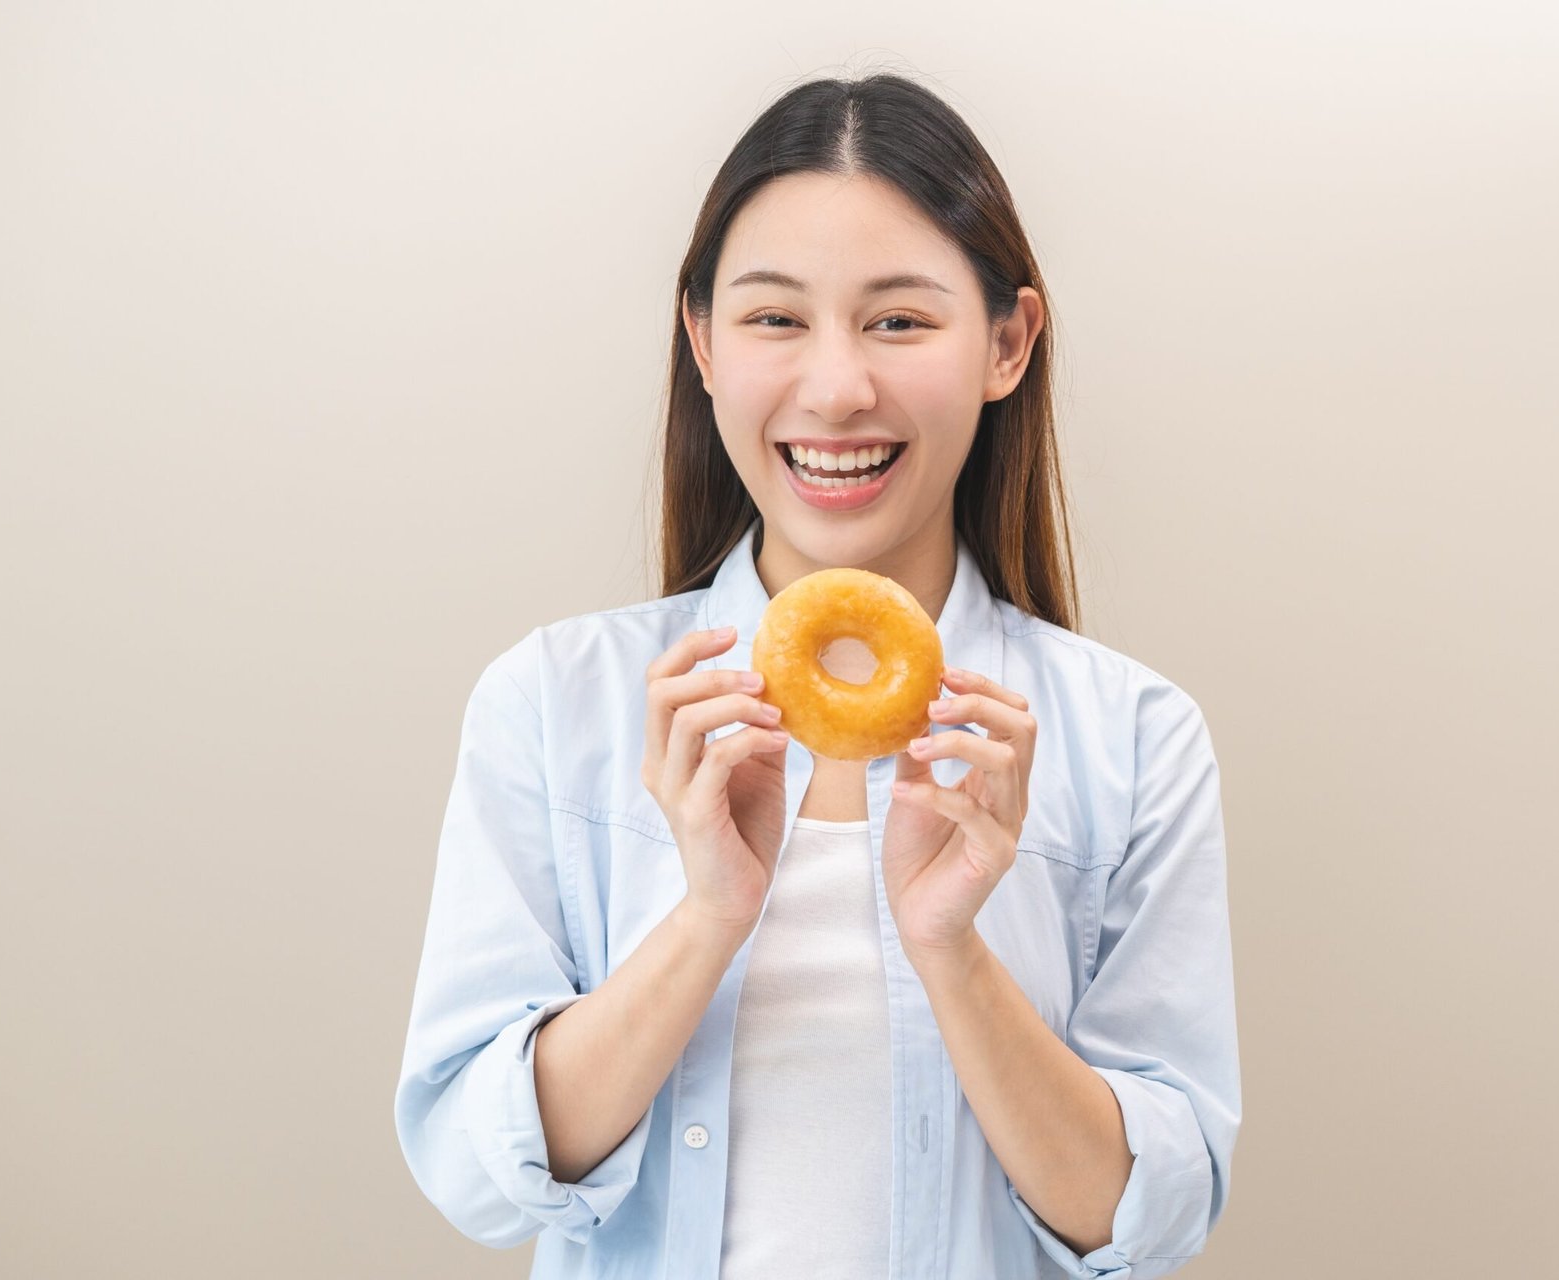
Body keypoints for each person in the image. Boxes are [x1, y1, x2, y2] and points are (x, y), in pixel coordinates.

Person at [393, 71, 1241, 1280]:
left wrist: (952, 945)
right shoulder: (556, 701)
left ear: (1007, 342)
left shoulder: (1133, 735)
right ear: (701, 342)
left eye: (899, 320)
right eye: (775, 318)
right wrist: (707, 919)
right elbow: (475, 1177)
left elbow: (1150, 1218)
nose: (837, 387)